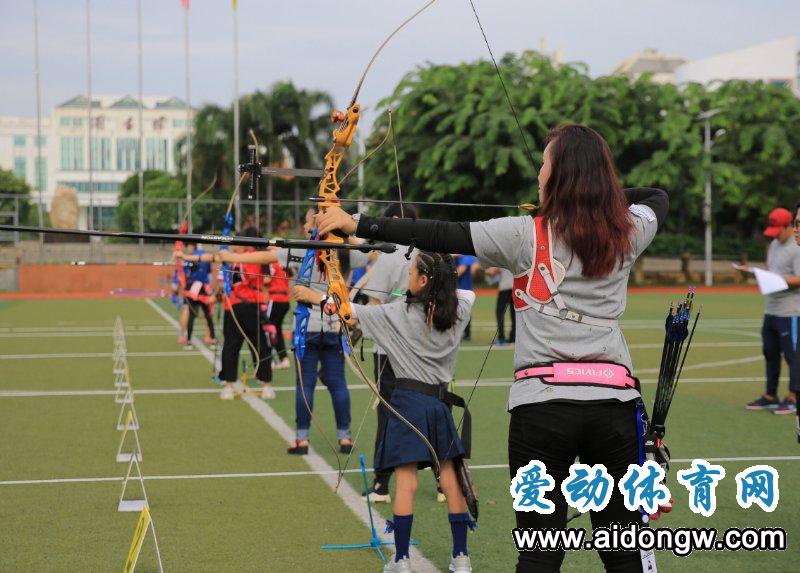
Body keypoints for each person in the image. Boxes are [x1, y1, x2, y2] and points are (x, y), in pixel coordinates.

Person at [316, 124, 670, 572]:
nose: (540, 174)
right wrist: (597, 195)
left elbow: (442, 235)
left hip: (543, 409)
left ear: (560, 176)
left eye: (546, 165)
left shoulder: (525, 234)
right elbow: (657, 196)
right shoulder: (630, 230)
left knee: (540, 553)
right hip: (615, 408)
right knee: (624, 551)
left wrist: (358, 224)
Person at [293, 251, 476, 573]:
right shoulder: (460, 307)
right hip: (439, 403)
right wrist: (432, 290)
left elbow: (346, 312)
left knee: (406, 483)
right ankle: (461, 558)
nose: (405, 279)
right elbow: (464, 291)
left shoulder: (396, 314)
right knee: (450, 480)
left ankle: (402, 560)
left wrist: (313, 296)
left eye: (411, 275)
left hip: (407, 402)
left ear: (422, 281)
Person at [283, 208, 353, 455]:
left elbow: (268, 255)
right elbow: (367, 250)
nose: (304, 225)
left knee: (306, 385)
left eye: (307, 220)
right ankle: (345, 437)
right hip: (334, 328)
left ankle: (302, 439)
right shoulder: (344, 249)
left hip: (307, 329)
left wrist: (218, 257)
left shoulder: (302, 248)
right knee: (338, 384)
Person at [177, 227, 275, 401]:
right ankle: (232, 384)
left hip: (251, 306)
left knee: (258, 345)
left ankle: (263, 384)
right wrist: (185, 257)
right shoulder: (235, 257)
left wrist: (230, 258)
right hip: (235, 307)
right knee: (233, 346)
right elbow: (213, 258)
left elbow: (254, 269)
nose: (234, 244)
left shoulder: (255, 255)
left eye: (237, 240)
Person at [745, 207, 800, 414]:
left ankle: (793, 397)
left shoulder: (796, 247)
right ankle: (770, 395)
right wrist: (754, 273)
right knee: (770, 352)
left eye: (778, 230)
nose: (775, 235)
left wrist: (777, 280)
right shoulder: (775, 245)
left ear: (789, 226)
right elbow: (772, 272)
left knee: (793, 356)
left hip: (791, 311)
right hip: (771, 308)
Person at [177, 242, 216, 349]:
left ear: (192, 246)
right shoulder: (205, 255)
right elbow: (209, 271)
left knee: (192, 316)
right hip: (203, 288)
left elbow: (184, 271)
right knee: (208, 315)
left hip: (194, 289)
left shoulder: (190, 256)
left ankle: (188, 341)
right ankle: (212, 339)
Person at [265, 256, 291, 370]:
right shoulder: (285, 264)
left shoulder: (274, 263)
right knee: (277, 330)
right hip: (285, 300)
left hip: (275, 299)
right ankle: (284, 359)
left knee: (268, 329)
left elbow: (267, 279)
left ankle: (269, 360)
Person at [486, 267, 515, 345]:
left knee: (500, 313)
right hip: (515, 288)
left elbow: (492, 271)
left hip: (505, 288)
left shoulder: (503, 256)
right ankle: (513, 337)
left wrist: (484, 269)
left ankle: (501, 338)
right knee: (514, 314)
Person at [454, 254, 479, 340]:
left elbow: (460, 271)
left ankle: (467, 333)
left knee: (465, 311)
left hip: (465, 290)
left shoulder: (466, 256)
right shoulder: (456, 258)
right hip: (457, 289)